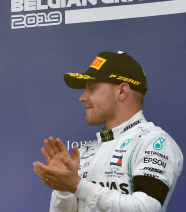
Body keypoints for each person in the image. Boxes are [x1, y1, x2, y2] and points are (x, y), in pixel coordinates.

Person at [33, 51, 183, 212]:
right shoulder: (84, 152)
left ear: (121, 91)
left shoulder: (153, 142)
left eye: (92, 88)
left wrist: (77, 185)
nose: (82, 97)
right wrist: (63, 189)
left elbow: (146, 208)